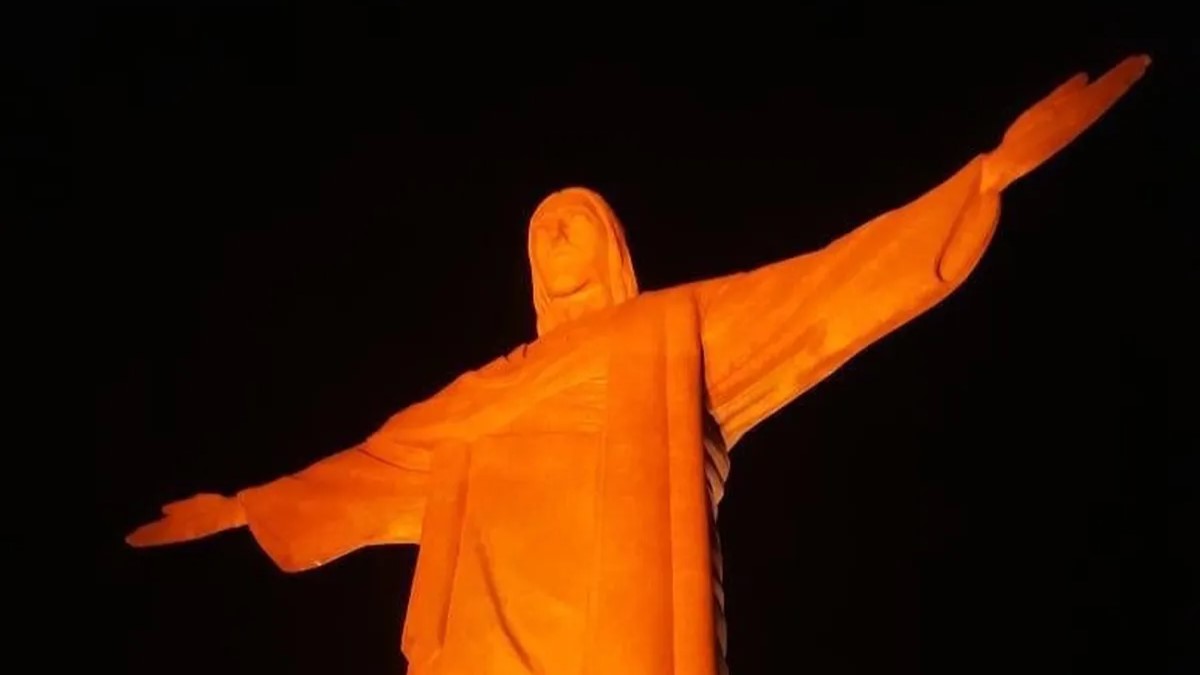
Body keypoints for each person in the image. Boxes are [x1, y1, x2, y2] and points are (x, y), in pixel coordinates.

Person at [127, 55, 1149, 675]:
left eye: (576, 223)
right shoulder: (489, 389)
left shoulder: (673, 331)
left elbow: (827, 291)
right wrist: (247, 506)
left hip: (618, 591)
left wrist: (986, 176)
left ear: (610, 245)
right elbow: (384, 463)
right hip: (488, 606)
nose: (558, 240)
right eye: (543, 231)